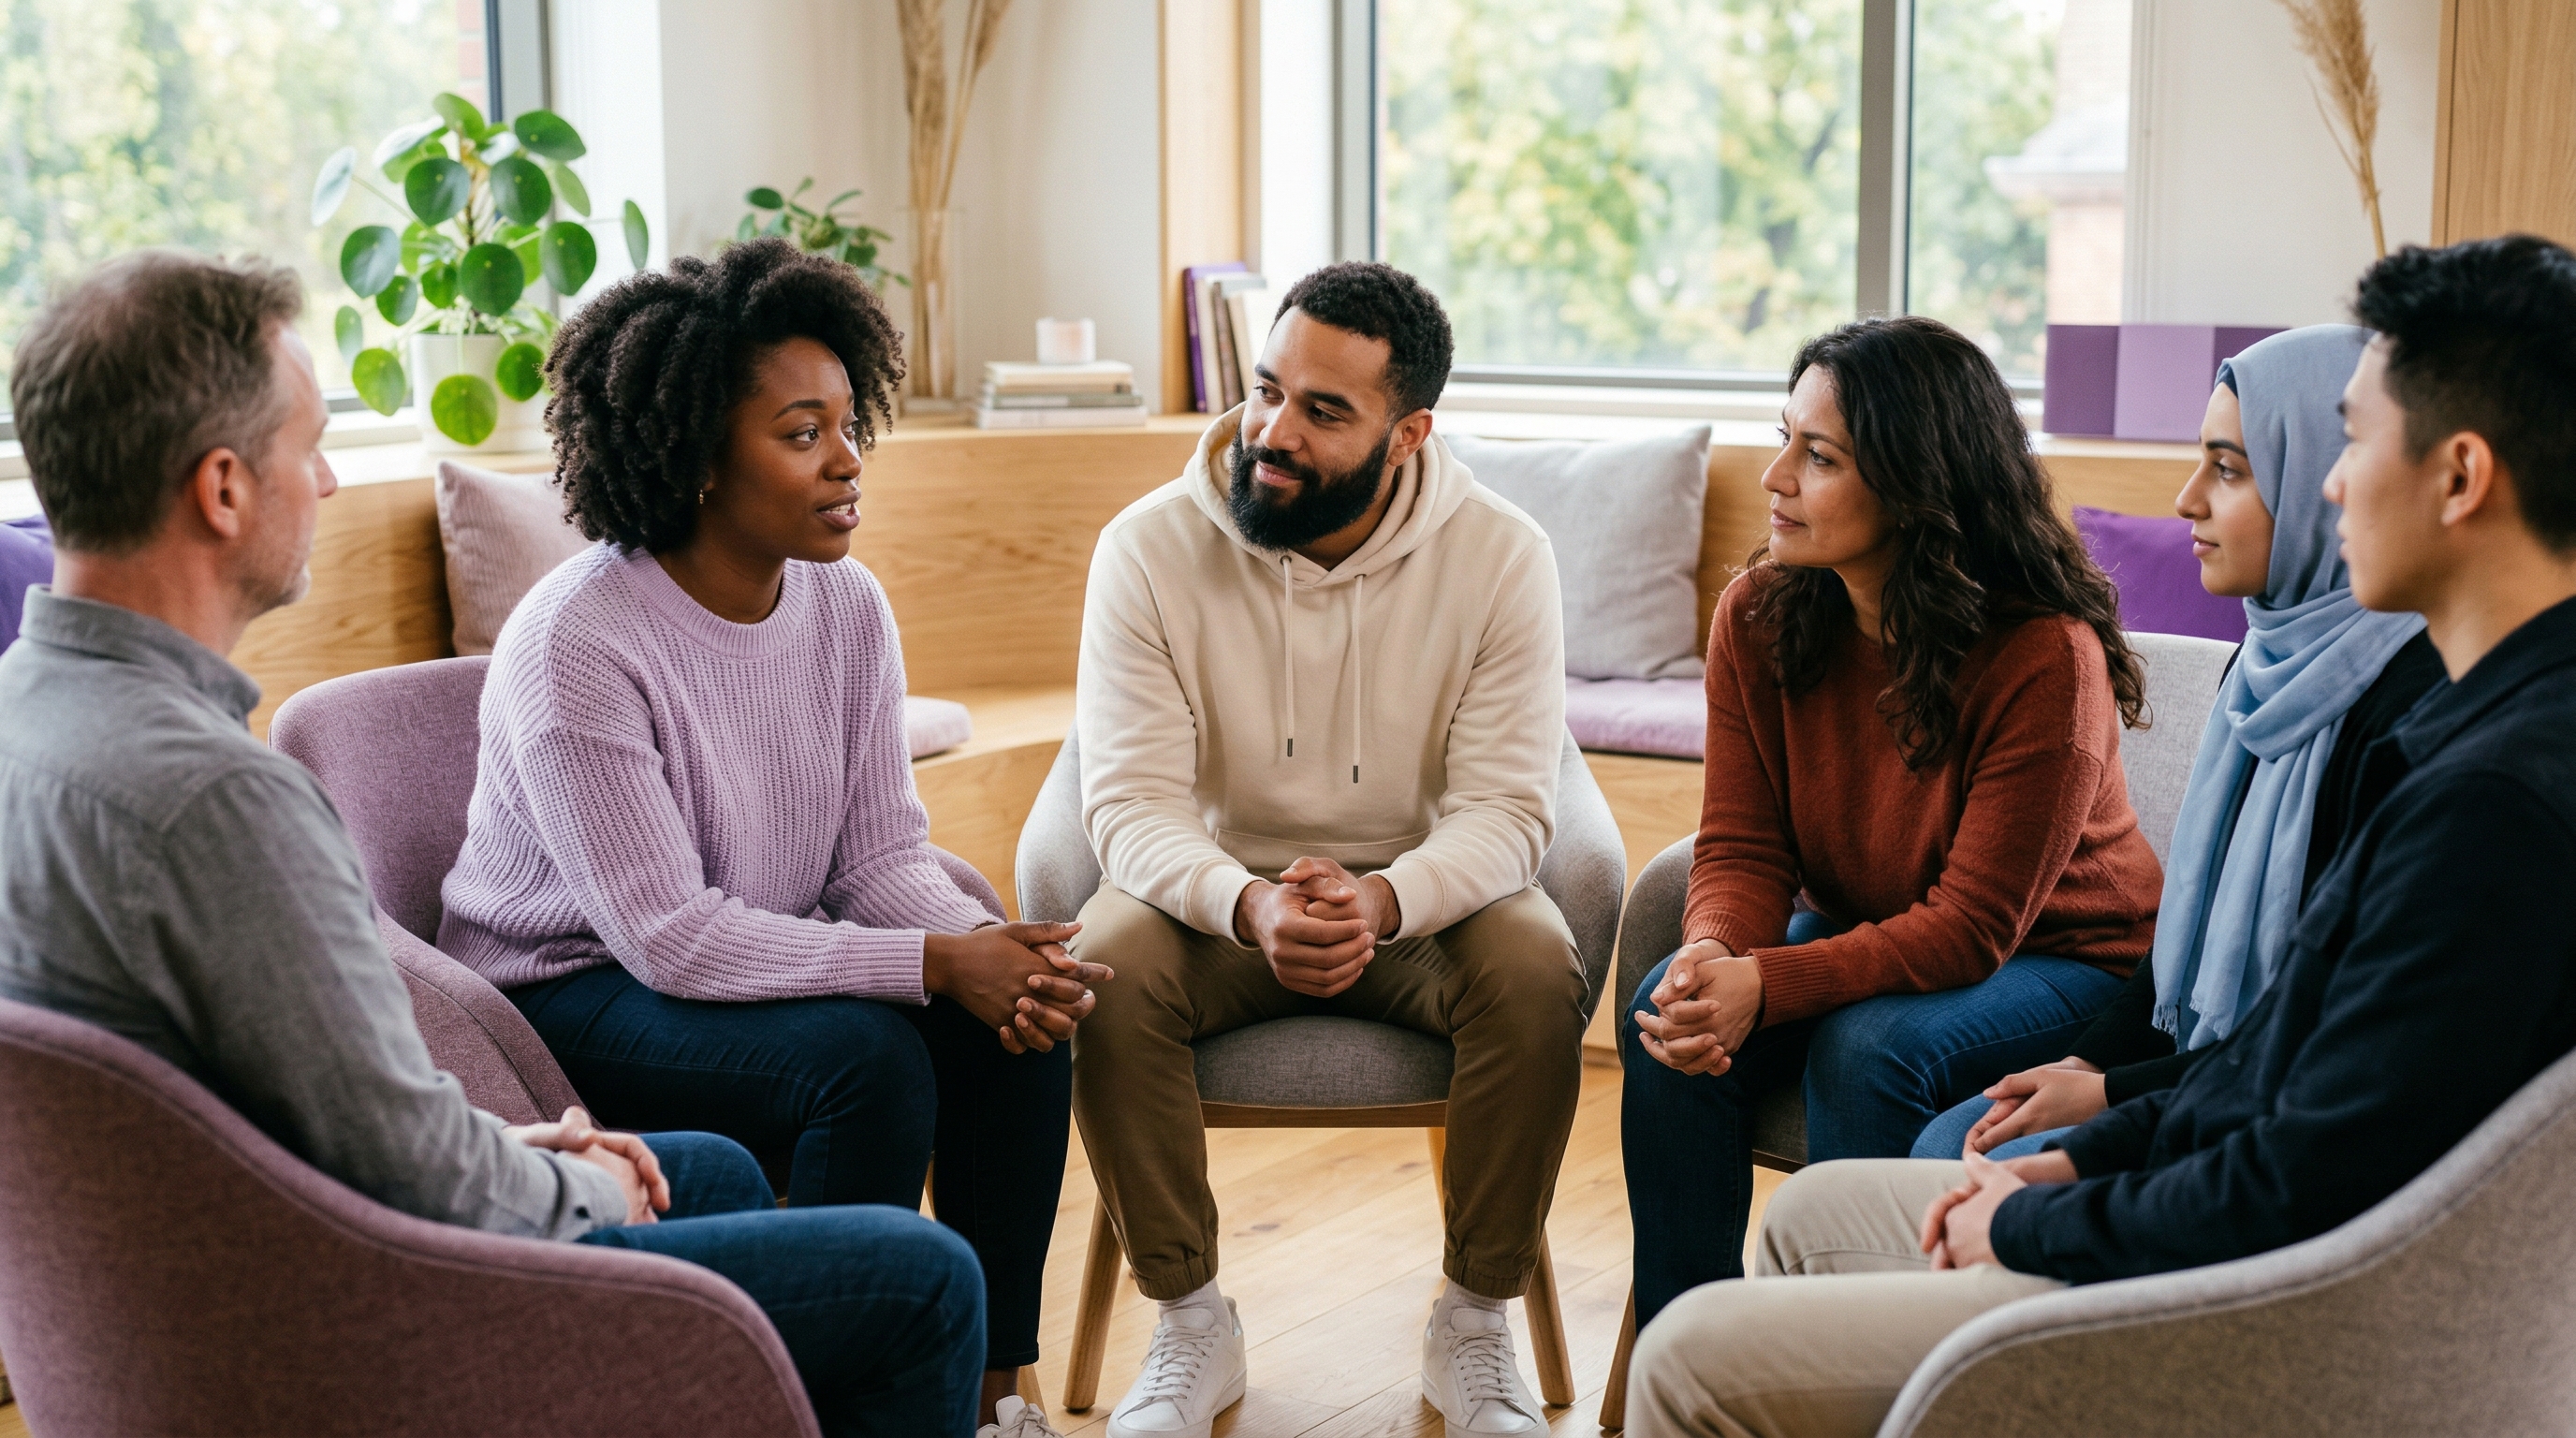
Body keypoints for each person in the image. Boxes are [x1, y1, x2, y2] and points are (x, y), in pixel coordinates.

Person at [0, 249, 992, 1437]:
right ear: (222, 489)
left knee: (714, 1177)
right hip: (345, 1335)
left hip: (166, 1310)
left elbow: (292, 1113)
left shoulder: (28, 721)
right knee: (920, 1281)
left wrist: (518, 1144)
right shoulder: (220, 803)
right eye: (308, 445)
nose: (322, 477)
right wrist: (575, 1180)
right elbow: (403, 1166)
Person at [1623, 234, 2576, 1438]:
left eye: (2356, 443)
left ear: (2459, 476)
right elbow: (2276, 1059)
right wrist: (2091, 1141)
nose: (2333, 485)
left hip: (2288, 1302)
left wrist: (2028, 1214)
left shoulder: (2486, 798)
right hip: (2251, 1205)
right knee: (1786, 1171)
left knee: (1704, 1349)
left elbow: (2304, 1163)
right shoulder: (2453, 735)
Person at [432, 237, 1096, 1435]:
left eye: (849, 423)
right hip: (571, 983)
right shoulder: (578, 641)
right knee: (866, 1058)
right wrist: (936, 964)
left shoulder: (846, 602)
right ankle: (817, 1404)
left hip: (736, 955)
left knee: (1012, 1035)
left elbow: (878, 858)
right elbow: (670, 939)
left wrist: (996, 960)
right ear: (692, 457)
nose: (848, 462)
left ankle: (991, 1398)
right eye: (801, 434)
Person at [1069, 261, 1583, 1438]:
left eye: (1322, 411)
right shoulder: (1146, 548)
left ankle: (1472, 1323)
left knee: (1531, 955)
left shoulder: (1502, 555)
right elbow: (1128, 807)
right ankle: (1192, 1319)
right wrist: (1247, 907)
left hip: (1419, 911)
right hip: (1217, 909)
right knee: (1104, 948)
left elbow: (1510, 811)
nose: (1273, 433)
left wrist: (1385, 900)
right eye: (1266, 391)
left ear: (1408, 434)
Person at [1618, 315, 2162, 1328]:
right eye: (1783, 437)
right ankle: (1682, 1356)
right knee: (1669, 1009)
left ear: (1918, 485)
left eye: (1816, 455)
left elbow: (1969, 927)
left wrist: (1769, 980)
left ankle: (1857, 1369)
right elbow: (1743, 843)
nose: (1775, 475)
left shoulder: (2042, 654)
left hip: (2063, 961)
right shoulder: (1757, 613)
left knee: (1869, 1051)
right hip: (1881, 926)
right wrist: (1711, 953)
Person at [1911, 325, 2447, 1165]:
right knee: (1956, 1141)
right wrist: (2085, 1062)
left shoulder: (2409, 718)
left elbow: (2320, 1032)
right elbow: (2181, 951)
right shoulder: (2263, 668)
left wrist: (2105, 1094)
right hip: (2192, 1069)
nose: (2187, 498)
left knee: (1955, 1156)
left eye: (2228, 468)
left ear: (2322, 484)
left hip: (2275, 1114)